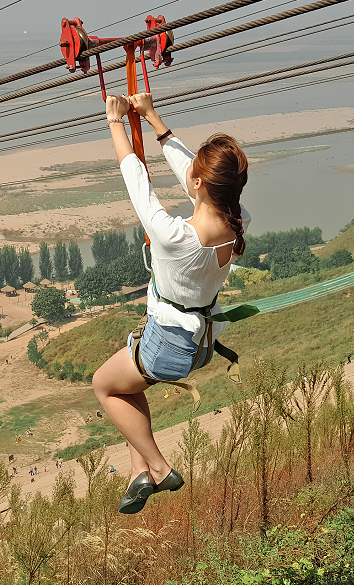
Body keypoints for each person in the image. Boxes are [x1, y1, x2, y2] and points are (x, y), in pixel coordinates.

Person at [92, 93, 249, 515]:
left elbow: (136, 180)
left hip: (168, 347)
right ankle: (137, 473)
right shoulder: (238, 222)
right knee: (131, 387)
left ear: (199, 184)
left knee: (104, 385)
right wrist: (153, 120)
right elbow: (192, 178)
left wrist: (115, 123)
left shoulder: (174, 236)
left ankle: (159, 469)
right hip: (200, 344)